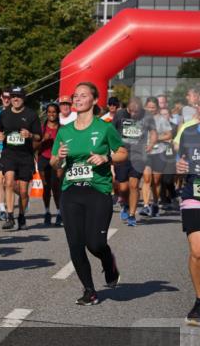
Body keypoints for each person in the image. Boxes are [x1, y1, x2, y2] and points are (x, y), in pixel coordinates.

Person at [50, 82, 127, 306]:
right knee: (75, 244)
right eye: (76, 95)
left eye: (83, 95)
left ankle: (108, 261)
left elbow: (123, 153)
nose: (78, 99)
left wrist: (106, 158)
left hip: (97, 190)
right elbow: (55, 163)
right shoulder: (65, 131)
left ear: (94, 100)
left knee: (95, 244)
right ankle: (89, 290)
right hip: (71, 191)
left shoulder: (104, 128)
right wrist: (59, 157)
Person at [0, 86, 42, 230]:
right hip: (9, 154)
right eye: (13, 96)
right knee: (8, 181)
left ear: (24, 98)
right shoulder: (4, 114)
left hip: (25, 156)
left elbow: (39, 136)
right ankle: (10, 216)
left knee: (23, 191)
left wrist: (30, 135)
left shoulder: (31, 114)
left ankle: (21, 215)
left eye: (18, 96)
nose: (15, 99)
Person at [173, 112, 200, 325]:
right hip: (194, 195)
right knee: (197, 252)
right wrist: (179, 168)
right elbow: (179, 164)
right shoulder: (189, 133)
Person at [113, 96, 147, 226]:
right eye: (132, 111)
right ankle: (125, 204)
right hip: (122, 154)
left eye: (137, 111)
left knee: (134, 184)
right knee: (123, 187)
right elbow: (111, 131)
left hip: (138, 155)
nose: (134, 114)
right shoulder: (119, 114)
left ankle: (132, 215)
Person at [142, 96, 171, 219]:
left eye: (153, 107)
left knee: (156, 181)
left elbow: (169, 135)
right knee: (146, 178)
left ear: (157, 108)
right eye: (148, 107)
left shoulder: (162, 120)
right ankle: (145, 205)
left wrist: (156, 138)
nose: (150, 109)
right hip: (146, 152)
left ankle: (155, 203)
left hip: (159, 152)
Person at [38, 103, 63, 226]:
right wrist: (43, 139)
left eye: (54, 112)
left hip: (57, 160)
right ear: (46, 113)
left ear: (58, 113)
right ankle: (47, 212)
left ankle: (59, 213)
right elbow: (34, 146)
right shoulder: (41, 128)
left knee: (56, 187)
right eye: (49, 112)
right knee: (46, 187)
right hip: (43, 159)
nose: (51, 114)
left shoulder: (62, 129)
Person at [0, 89, 12, 220]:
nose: (6, 99)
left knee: (10, 182)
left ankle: (22, 197)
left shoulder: (15, 113)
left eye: (9, 97)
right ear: (1, 97)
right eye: (4, 97)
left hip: (12, 150)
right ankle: (2, 210)